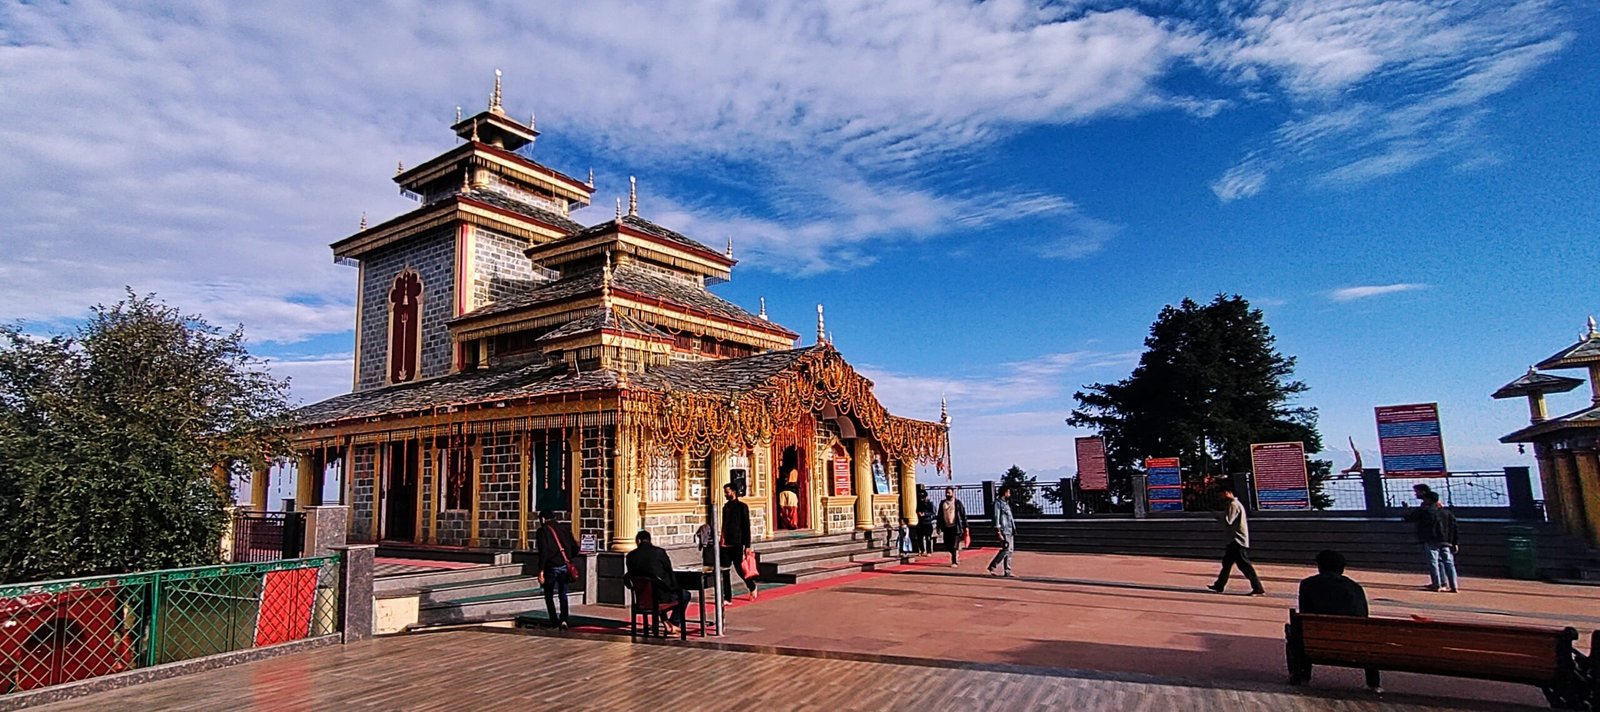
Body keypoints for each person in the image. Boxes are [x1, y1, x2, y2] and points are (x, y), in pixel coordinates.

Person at [1290, 550, 1378, 689]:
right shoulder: (1355, 587)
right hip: (1355, 642)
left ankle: (1303, 674)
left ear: (1320, 566)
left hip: (1316, 641)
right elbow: (1363, 615)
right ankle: (1374, 683)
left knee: (1296, 631)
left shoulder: (1308, 584)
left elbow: (1305, 613)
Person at [625, 529, 690, 637]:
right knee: (684, 595)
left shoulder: (631, 556)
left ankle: (667, 622)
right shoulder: (659, 553)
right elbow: (669, 571)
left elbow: (629, 577)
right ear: (650, 540)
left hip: (642, 598)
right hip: (660, 596)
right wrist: (674, 587)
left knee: (655, 593)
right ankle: (674, 622)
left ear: (638, 541)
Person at [1207, 485, 1264, 595]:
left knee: (1245, 566)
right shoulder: (1233, 504)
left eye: (1221, 494)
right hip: (1233, 540)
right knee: (1227, 563)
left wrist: (1218, 515)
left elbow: (1229, 520)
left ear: (1228, 492)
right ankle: (1219, 585)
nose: (1220, 497)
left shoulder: (1233, 505)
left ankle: (1258, 588)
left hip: (1237, 540)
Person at [533, 510, 580, 630]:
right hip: (564, 565)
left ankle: (554, 621)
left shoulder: (542, 531)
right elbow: (575, 547)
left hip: (551, 567)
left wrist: (541, 569)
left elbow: (543, 552)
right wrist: (568, 558)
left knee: (549, 595)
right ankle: (564, 619)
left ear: (543, 519)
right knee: (563, 594)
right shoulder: (564, 528)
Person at [1413, 490, 1460, 593]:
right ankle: (1454, 586)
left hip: (1431, 539)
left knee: (1433, 562)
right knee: (1449, 563)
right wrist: (1455, 542)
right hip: (1446, 540)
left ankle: (1437, 584)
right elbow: (1454, 527)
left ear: (1428, 500)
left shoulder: (1427, 512)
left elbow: (1413, 519)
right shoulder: (1447, 512)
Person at [720, 483, 759, 602]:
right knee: (724, 571)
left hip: (737, 542)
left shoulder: (742, 507)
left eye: (727, 492)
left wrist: (747, 545)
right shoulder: (725, 507)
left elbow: (746, 526)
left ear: (734, 492)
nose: (726, 494)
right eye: (725, 492)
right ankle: (727, 597)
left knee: (739, 568)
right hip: (725, 543)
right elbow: (724, 525)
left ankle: (751, 585)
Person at [987, 485, 1016, 577]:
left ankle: (1007, 571)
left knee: (1010, 550)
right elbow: (997, 517)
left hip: (1010, 529)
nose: (1009, 494)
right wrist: (998, 531)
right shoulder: (998, 503)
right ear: (1004, 493)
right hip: (1004, 529)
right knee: (1006, 549)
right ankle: (992, 565)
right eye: (1008, 492)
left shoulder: (1006, 503)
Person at [937, 486, 967, 567]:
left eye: (949, 493)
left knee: (954, 544)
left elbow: (963, 515)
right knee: (947, 544)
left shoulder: (957, 503)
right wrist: (938, 526)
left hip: (956, 527)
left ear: (953, 493)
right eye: (946, 493)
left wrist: (965, 526)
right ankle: (955, 552)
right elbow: (939, 515)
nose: (947, 494)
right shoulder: (942, 503)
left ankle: (954, 561)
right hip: (946, 527)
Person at [914, 487, 937, 555]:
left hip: (927, 522)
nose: (922, 499)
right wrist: (918, 513)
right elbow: (916, 510)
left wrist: (925, 514)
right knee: (919, 538)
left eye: (923, 497)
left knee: (928, 538)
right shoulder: (919, 503)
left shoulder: (930, 503)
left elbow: (933, 512)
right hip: (920, 522)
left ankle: (929, 551)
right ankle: (922, 550)